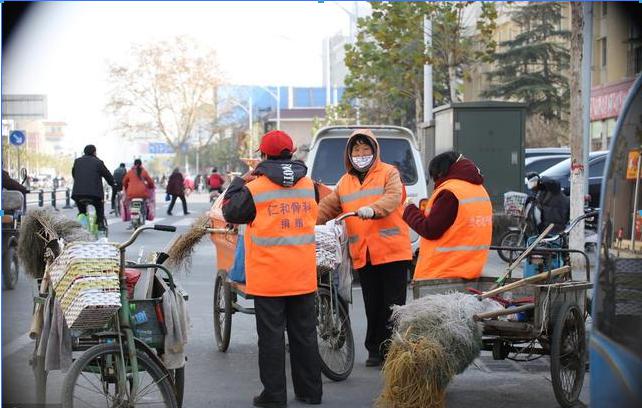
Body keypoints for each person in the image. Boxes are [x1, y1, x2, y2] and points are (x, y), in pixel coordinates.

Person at [222, 130, 322, 408]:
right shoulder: (309, 185)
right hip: (302, 275)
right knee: (305, 334)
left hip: (269, 278)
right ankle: (311, 392)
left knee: (272, 338)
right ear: (291, 153)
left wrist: (241, 179)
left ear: (263, 156)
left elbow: (230, 211)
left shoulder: (255, 189)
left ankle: (274, 396)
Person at [316, 129, 412, 367]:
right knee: (372, 304)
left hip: (392, 251)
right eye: (356, 149)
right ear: (349, 154)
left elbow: (393, 198)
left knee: (393, 306)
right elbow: (327, 208)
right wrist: (306, 223)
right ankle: (374, 350)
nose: (361, 154)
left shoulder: (389, 172)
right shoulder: (344, 182)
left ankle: (392, 350)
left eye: (365, 149)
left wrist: (373, 209)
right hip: (364, 254)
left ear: (374, 151)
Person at [403, 151, 492, 281]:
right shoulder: (478, 189)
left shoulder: (450, 193)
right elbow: (458, 226)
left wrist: (409, 209)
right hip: (470, 271)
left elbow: (430, 229)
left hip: (443, 273)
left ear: (441, 172)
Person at [71, 144, 114, 231]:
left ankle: (81, 221)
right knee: (99, 207)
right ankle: (100, 224)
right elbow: (107, 175)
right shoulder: (98, 162)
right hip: (95, 195)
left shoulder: (77, 161)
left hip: (78, 194)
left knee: (82, 211)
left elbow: (74, 174)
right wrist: (113, 184)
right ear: (94, 152)